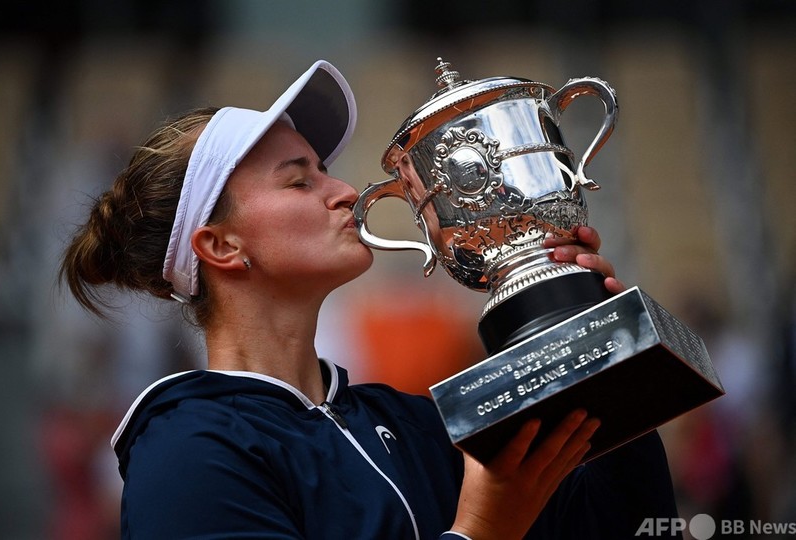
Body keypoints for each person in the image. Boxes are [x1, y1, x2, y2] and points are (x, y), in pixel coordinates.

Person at [60, 60, 678, 539]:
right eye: (299, 180)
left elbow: (622, 527)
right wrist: (481, 532)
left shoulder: (415, 422)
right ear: (221, 245)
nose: (345, 191)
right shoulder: (187, 451)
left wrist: (592, 349)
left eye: (324, 170)